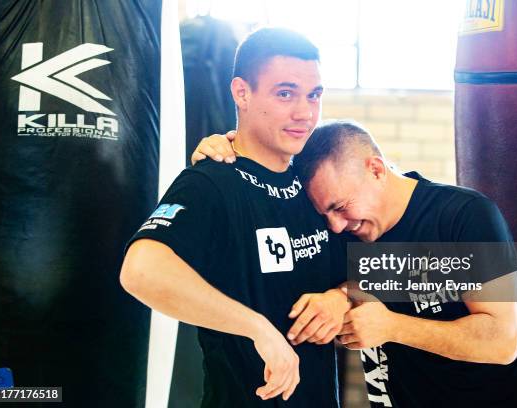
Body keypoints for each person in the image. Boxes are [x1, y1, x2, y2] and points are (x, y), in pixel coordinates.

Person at [193, 120, 517, 407]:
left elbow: (502, 340)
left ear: (376, 170)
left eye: (340, 206)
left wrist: (392, 326)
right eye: (325, 214)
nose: (335, 225)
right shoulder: (346, 232)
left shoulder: (465, 216)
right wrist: (228, 156)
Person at [120, 28, 350, 408]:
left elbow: (380, 262)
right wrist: (257, 328)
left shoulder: (316, 180)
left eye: (314, 95)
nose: (304, 113)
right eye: (285, 93)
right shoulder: (211, 180)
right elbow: (140, 271)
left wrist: (341, 298)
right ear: (242, 93)